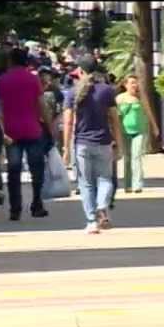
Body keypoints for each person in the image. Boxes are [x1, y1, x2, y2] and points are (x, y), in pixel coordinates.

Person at [63, 54, 123, 234]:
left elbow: (68, 123)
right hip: (104, 142)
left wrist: (66, 148)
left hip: (81, 143)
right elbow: (114, 119)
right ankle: (102, 205)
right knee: (105, 178)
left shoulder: (73, 93)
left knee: (86, 183)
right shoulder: (106, 90)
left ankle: (91, 221)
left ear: (80, 71)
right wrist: (119, 143)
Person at [0, 48, 50, 221]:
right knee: (37, 169)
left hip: (11, 132)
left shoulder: (2, 80)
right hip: (32, 129)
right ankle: (37, 203)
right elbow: (41, 104)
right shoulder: (33, 79)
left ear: (10, 61)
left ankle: (15, 208)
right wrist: (48, 125)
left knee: (14, 170)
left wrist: (1, 131)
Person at [116, 75, 159, 193]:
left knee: (137, 156)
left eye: (136, 83)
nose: (135, 85)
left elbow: (148, 112)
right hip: (124, 131)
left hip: (140, 130)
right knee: (127, 158)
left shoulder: (141, 98)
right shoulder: (120, 98)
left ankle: (137, 184)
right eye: (132, 83)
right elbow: (116, 116)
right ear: (125, 85)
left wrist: (154, 127)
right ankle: (128, 184)